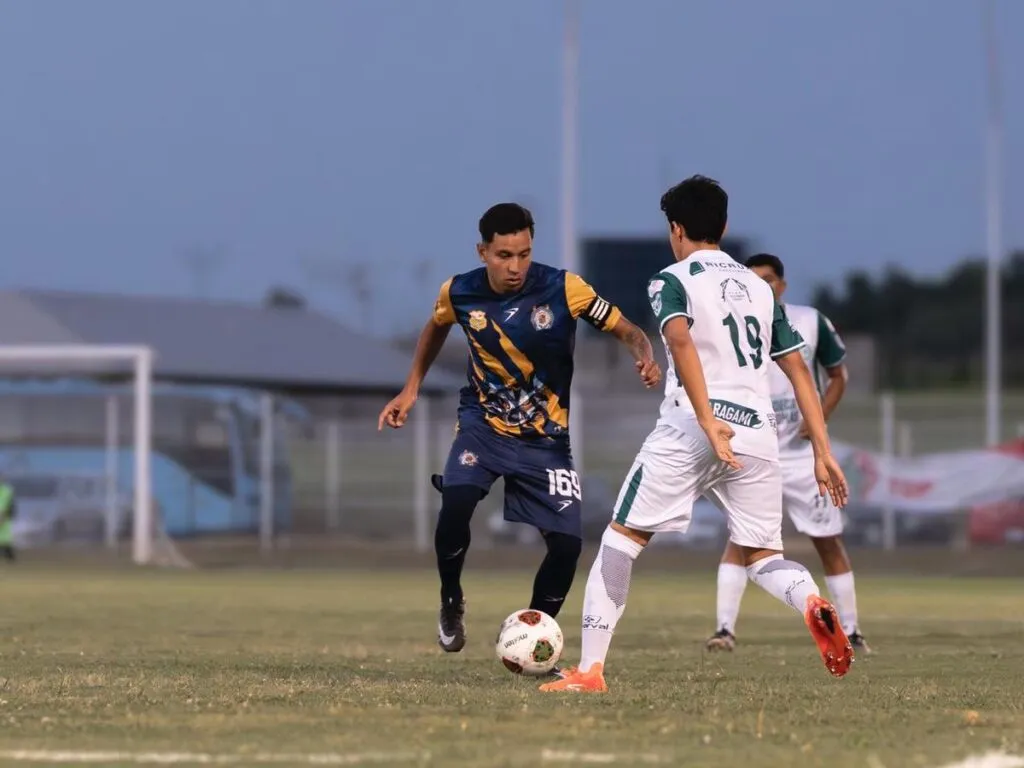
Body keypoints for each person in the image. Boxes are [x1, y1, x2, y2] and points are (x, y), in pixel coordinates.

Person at [540, 176, 853, 694]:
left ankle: (590, 670)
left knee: (621, 540)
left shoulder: (671, 279)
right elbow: (798, 369)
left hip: (694, 426)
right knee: (764, 558)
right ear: (725, 226)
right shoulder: (758, 287)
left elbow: (681, 342)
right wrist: (822, 450)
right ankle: (812, 602)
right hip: (758, 433)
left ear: (676, 229)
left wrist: (707, 420)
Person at [378, 202, 661, 655]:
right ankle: (451, 600)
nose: (515, 266)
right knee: (456, 503)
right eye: (504, 255)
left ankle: (531, 635)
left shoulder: (564, 287)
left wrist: (643, 355)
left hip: (546, 440)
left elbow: (626, 328)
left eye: (524, 254)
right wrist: (411, 388)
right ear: (482, 251)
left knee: (567, 547)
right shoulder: (459, 292)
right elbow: (434, 328)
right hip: (482, 426)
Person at [706, 253, 870, 654]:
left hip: (800, 456)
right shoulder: (732, 321)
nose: (761, 287)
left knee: (828, 540)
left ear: (782, 285)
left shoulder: (810, 321)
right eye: (753, 280)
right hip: (754, 449)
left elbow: (838, 376)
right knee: (740, 540)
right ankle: (724, 630)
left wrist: (818, 420)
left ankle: (851, 631)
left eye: (768, 280)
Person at [0, 475, 16, 561]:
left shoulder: (5, 490)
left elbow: (3, 503)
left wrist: (1, 514)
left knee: (5, 534)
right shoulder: (6, 490)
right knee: (5, 535)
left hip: (5, 514)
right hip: (5, 513)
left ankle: (9, 555)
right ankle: (8, 554)